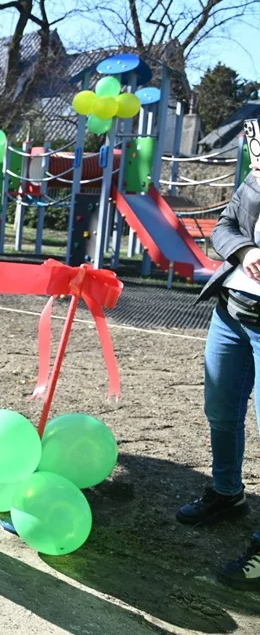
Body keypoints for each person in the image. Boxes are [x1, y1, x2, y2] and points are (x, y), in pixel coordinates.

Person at [177, 165, 260, 590]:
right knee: (221, 412)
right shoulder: (257, 177)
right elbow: (224, 228)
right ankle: (228, 493)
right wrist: (245, 252)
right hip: (231, 313)